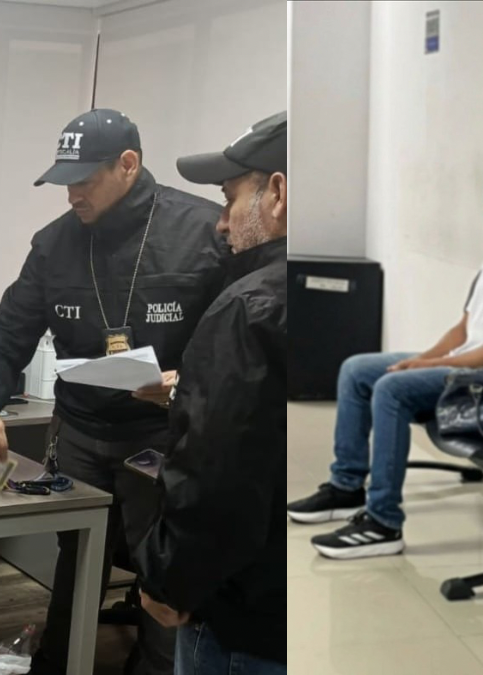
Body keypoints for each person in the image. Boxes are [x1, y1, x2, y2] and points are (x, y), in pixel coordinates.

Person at [0, 108, 229, 675]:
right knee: (78, 555)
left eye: (83, 181)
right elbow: (9, 328)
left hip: (162, 433)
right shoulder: (54, 244)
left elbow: (238, 336)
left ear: (128, 164)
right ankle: (61, 662)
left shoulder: (204, 232)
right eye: (64, 182)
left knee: (163, 566)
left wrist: (188, 381)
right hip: (82, 431)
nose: (72, 196)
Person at [288, 158, 483, 559]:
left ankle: (384, 522)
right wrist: (421, 358)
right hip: (468, 368)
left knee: (392, 389)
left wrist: (429, 367)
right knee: (358, 369)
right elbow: (463, 330)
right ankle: (347, 486)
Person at [132, 113, 288, 675]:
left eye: (229, 199)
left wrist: (167, 580)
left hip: (238, 619)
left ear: (278, 193)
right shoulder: (344, 290)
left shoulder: (248, 307)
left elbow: (215, 476)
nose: (221, 224)